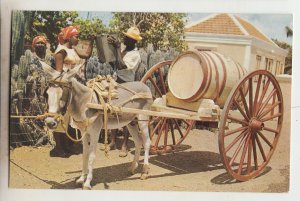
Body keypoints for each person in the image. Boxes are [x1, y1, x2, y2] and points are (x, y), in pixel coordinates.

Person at [49, 25, 85, 157]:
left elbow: (86, 55)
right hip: (64, 87)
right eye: (76, 36)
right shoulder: (61, 51)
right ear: (69, 37)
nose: (78, 39)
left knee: (70, 117)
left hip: (73, 86)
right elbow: (59, 74)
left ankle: (67, 145)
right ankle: (59, 147)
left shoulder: (72, 50)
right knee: (61, 116)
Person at [107, 27, 142, 157]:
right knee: (113, 111)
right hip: (117, 83)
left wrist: (116, 48)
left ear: (134, 41)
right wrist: (111, 48)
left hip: (127, 85)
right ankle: (112, 141)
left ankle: (125, 145)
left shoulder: (135, 55)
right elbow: (114, 64)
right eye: (125, 37)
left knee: (127, 116)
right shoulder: (123, 50)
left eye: (127, 38)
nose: (124, 39)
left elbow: (122, 66)